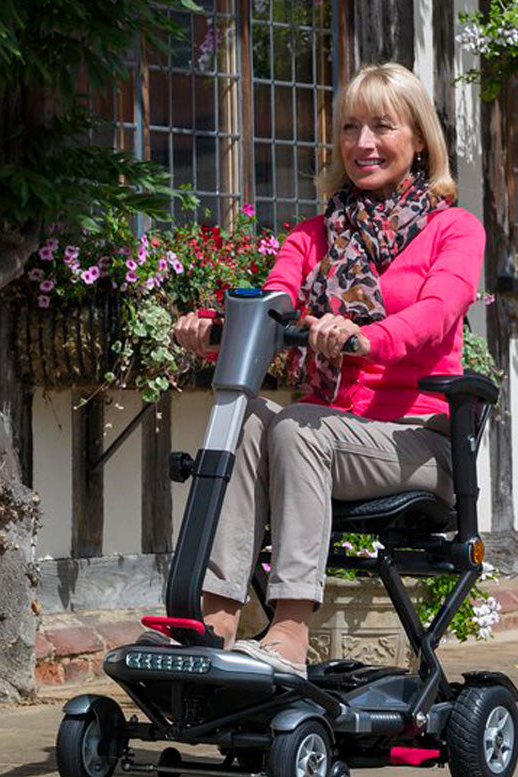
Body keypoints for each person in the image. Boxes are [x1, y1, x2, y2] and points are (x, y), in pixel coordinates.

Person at [144, 62, 485, 678]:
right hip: (327, 429)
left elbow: (437, 314)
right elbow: (276, 303)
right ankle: (217, 619)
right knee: (249, 416)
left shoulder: (452, 230)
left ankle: (292, 630)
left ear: (419, 140)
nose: (363, 144)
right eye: (351, 128)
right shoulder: (311, 235)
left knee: (300, 426)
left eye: (382, 126)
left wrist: (365, 338)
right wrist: (212, 330)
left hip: (418, 440)